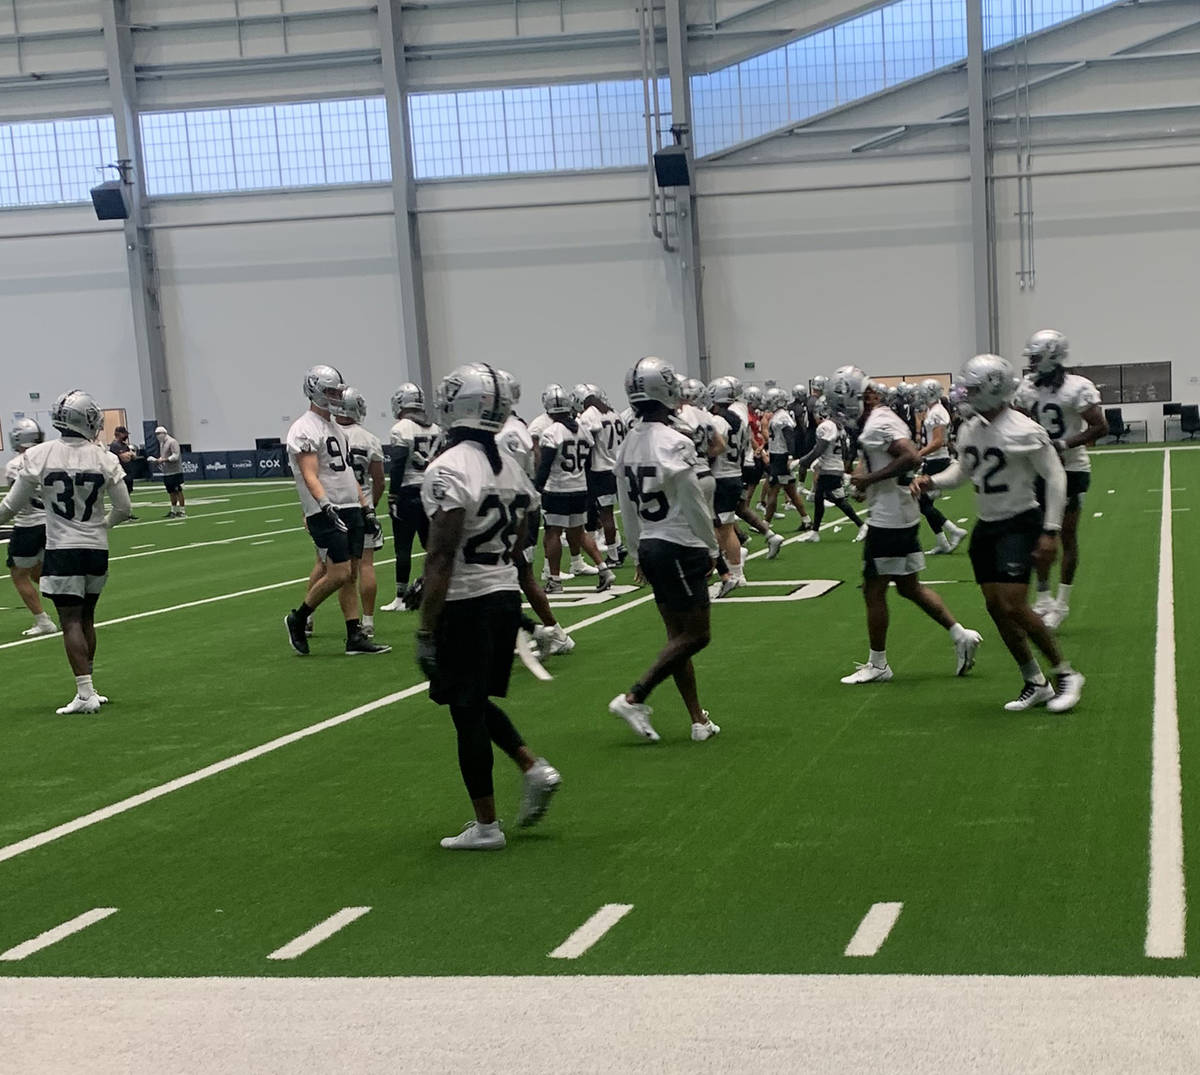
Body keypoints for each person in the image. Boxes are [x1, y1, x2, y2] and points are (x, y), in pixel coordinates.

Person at [416, 362, 561, 851]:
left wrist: (425, 628)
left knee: (464, 709)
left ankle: (486, 826)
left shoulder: (450, 466)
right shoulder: (511, 464)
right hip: (503, 593)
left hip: (467, 600)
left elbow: (441, 555)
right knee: (473, 701)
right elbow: (522, 535)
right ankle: (531, 766)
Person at [914, 354, 1084, 712]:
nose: (967, 394)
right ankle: (1034, 680)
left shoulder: (1024, 429)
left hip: (1020, 523)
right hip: (987, 526)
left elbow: (1056, 477)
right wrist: (932, 482)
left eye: (974, 388)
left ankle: (1066, 673)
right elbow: (962, 473)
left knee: (1014, 605)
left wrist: (1050, 531)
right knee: (996, 608)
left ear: (994, 389)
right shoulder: (972, 426)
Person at [827, 366, 982, 684]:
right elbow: (885, 458)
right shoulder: (880, 419)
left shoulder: (879, 422)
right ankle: (960, 634)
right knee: (909, 587)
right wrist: (865, 484)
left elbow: (910, 456)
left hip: (890, 518)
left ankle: (879, 664)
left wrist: (868, 479)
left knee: (874, 590)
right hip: (899, 511)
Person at [609, 356, 721, 743]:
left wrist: (637, 551)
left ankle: (697, 719)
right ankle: (634, 695)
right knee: (697, 636)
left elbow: (625, 506)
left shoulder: (627, 444)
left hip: (653, 544)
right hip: (679, 543)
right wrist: (712, 548)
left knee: (677, 639)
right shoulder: (676, 441)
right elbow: (693, 502)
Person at [0, 391, 131, 713]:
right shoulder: (105, 457)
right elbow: (124, 508)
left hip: (62, 547)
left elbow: (10, 506)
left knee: (70, 619)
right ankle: (90, 686)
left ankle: (85, 692)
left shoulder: (40, 455)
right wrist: (102, 526)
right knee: (87, 616)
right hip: (96, 547)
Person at [283, 365, 390, 657]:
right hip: (326, 509)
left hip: (350, 504)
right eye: (329, 391)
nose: (335, 397)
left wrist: (366, 507)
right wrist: (324, 504)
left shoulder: (336, 430)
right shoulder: (304, 428)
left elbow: (347, 476)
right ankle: (299, 617)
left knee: (351, 573)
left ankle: (354, 635)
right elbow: (309, 473)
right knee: (339, 572)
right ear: (314, 390)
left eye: (336, 392)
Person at [1015, 329, 1107, 629]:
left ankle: (1062, 603)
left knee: (1064, 536)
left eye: (1035, 356)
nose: (1031, 362)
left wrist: (1064, 444)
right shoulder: (1028, 388)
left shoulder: (1077, 387)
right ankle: (1043, 598)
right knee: (1036, 535)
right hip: (1038, 470)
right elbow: (1017, 421)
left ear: (1051, 356)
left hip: (1071, 469)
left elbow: (1099, 426)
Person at [496, 371, 574, 659]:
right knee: (512, 575)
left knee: (521, 575)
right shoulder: (516, 427)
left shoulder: (509, 432)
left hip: (515, 512)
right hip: (515, 509)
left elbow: (511, 476)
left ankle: (553, 632)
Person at [535, 386, 614, 593]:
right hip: (579, 487)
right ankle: (603, 568)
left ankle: (554, 579)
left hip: (557, 489)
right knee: (578, 532)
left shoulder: (551, 432)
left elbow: (545, 465)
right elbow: (587, 456)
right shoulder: (582, 430)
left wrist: (537, 488)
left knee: (552, 533)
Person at [381, 382, 442, 613]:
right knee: (431, 545)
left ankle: (400, 597)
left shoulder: (401, 429)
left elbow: (397, 464)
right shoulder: (435, 427)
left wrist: (393, 494)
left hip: (408, 492)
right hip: (430, 491)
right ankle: (437, 586)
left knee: (403, 547)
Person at [337, 388, 387, 639]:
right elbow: (379, 481)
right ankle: (367, 620)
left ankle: (308, 616)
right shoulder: (368, 438)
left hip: (334, 506)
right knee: (366, 565)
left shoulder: (326, 435)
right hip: (362, 506)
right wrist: (371, 506)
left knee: (327, 567)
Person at [3, 418, 57, 637]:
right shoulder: (51, 458)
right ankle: (71, 607)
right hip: (52, 523)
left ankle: (43, 621)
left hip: (28, 524)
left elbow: (16, 501)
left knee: (18, 575)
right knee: (38, 572)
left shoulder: (15, 465)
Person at [794, 396, 867, 543]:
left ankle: (862, 525)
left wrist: (802, 461)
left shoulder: (826, 426)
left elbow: (819, 449)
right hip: (834, 466)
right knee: (821, 497)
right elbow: (845, 451)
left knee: (837, 500)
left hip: (830, 468)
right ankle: (815, 531)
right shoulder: (838, 426)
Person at [576, 384, 627, 569]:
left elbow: (585, 439)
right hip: (621, 468)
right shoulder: (614, 413)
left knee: (606, 515)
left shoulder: (590, 414)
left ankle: (613, 554)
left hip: (602, 470)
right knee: (631, 512)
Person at [916, 380, 968, 555]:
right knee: (923, 503)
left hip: (936, 460)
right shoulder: (934, 411)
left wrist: (919, 453)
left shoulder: (937, 412)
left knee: (922, 502)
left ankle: (953, 531)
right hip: (934, 459)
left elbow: (938, 442)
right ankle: (943, 542)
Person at [761, 388, 812, 530]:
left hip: (781, 458)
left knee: (773, 490)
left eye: (770, 400)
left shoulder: (781, 417)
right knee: (791, 492)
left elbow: (790, 437)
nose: (767, 402)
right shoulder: (777, 415)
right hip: (778, 455)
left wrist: (789, 456)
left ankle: (765, 524)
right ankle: (806, 520)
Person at [148, 425, 186, 519]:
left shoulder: (172, 442)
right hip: (167, 472)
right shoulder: (162, 443)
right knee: (171, 492)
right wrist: (157, 461)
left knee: (178, 491)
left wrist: (164, 460)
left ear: (164, 433)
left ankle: (182, 511)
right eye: (156, 434)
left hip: (175, 471)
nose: (157, 436)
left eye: (159, 434)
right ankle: (173, 510)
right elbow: (163, 456)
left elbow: (176, 456)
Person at [107, 426, 139, 519]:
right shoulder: (115, 445)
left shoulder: (124, 445)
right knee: (122, 494)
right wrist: (129, 454)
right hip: (120, 472)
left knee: (128, 493)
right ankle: (124, 514)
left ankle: (128, 513)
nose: (126, 436)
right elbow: (125, 459)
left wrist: (129, 454)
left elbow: (133, 457)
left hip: (128, 472)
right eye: (124, 434)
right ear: (119, 434)